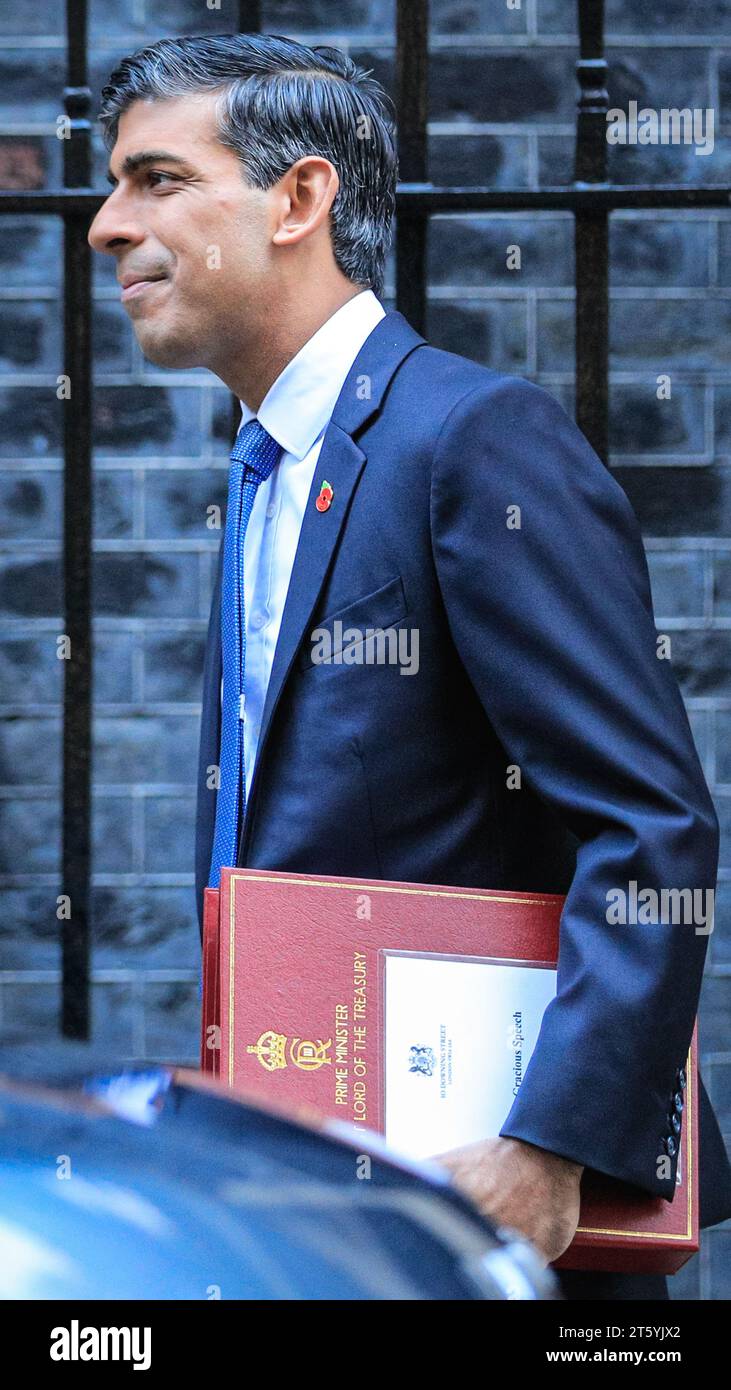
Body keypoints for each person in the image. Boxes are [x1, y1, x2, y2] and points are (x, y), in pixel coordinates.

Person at [88, 31, 731, 1300]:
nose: (108, 224)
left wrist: (551, 1146)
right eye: (114, 184)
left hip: (492, 1210)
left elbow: (649, 823)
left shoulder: (472, 439)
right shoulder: (264, 462)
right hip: (335, 1189)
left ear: (299, 198)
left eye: (156, 179)